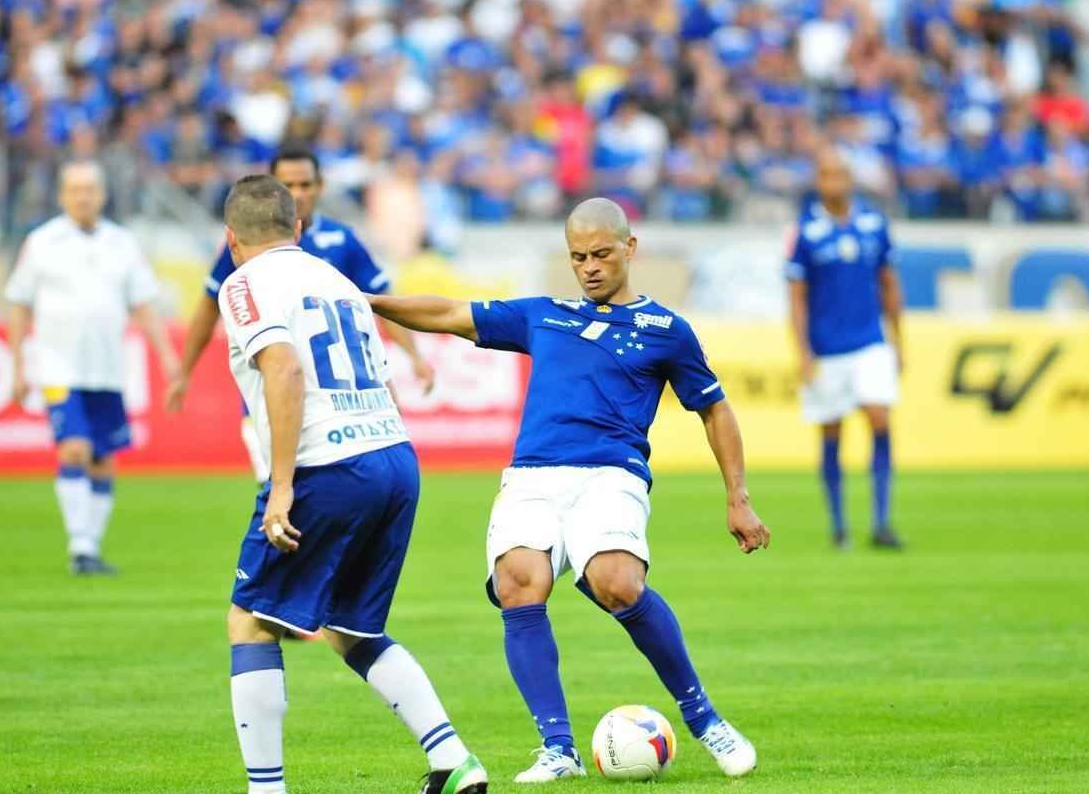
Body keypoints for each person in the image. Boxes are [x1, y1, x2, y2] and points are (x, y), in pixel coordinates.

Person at [369, 197, 769, 783]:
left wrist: (738, 496)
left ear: (630, 249)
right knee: (518, 584)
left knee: (617, 582)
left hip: (611, 473)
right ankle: (558, 748)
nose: (589, 267)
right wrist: (370, 302)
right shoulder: (543, 314)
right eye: (578, 256)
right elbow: (450, 313)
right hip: (533, 475)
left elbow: (715, 410)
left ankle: (706, 720)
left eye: (602, 254)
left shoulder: (666, 331)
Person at [217, 175, 487, 794]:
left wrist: (281, 485)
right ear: (299, 230)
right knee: (350, 628)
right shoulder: (336, 280)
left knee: (251, 620)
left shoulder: (243, 285)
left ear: (231, 239)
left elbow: (283, 367)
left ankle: (265, 790)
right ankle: (454, 762)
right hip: (393, 456)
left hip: (327, 464)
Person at [166, 147, 433, 482]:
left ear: (320, 186)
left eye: (306, 184)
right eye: (288, 185)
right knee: (284, 493)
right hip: (272, 398)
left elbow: (379, 303)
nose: (299, 194)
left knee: (304, 502)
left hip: (336, 407)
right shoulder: (246, 243)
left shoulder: (342, 241)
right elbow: (209, 306)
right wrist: (184, 371)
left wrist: (414, 356)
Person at [5, 160, 179, 576]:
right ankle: (80, 546)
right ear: (63, 195)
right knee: (75, 448)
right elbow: (19, 303)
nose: (83, 197)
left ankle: (91, 548)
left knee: (103, 457)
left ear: (102, 194)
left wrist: (168, 357)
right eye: (75, 189)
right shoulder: (42, 241)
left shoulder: (122, 243)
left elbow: (143, 305)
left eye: (90, 189)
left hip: (108, 368)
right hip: (57, 366)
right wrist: (16, 366)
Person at [786, 148, 904, 550]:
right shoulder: (805, 231)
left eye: (840, 175)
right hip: (826, 350)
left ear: (850, 179)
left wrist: (898, 339)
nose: (834, 183)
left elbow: (888, 282)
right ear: (818, 181)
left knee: (879, 418)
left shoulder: (873, 222)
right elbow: (797, 296)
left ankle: (882, 521)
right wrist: (802, 351)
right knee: (832, 431)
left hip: (870, 341)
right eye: (826, 175)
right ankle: (839, 526)